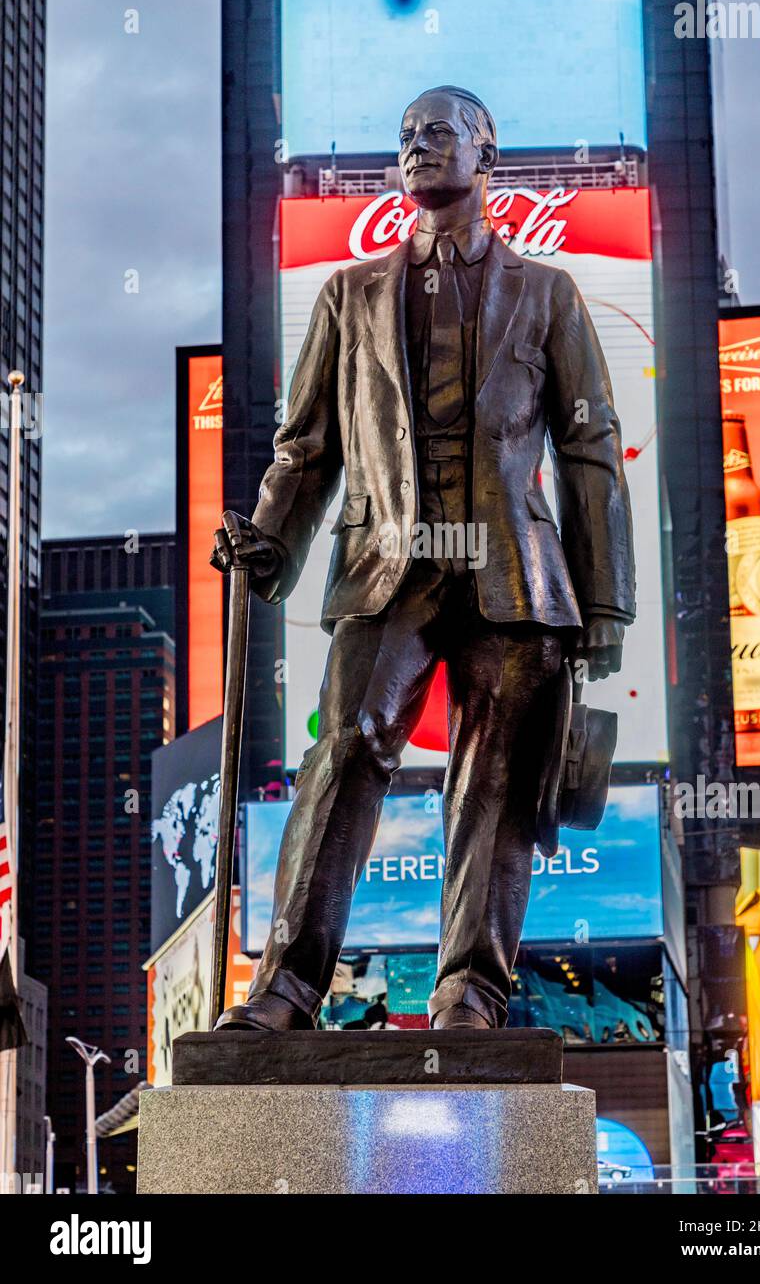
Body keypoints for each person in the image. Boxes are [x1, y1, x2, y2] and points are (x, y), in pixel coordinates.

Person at [211, 85, 634, 1032]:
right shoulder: (348, 294)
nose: (415, 148)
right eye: (403, 137)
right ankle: (286, 984)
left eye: (437, 133)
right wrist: (271, 539)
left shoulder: (548, 292)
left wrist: (605, 602)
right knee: (347, 745)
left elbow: (590, 451)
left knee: (494, 778)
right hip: (387, 566)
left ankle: (468, 992)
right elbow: (306, 445)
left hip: (514, 574)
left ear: (488, 154)